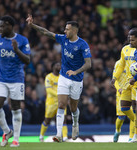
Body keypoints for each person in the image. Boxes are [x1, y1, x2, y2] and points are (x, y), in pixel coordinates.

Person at [26, 14, 92, 142]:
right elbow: (46, 32)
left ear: (74, 30)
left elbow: (88, 64)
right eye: (65, 29)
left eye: (67, 29)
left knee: (73, 108)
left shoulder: (83, 44)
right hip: (63, 76)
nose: (64, 31)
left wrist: (75, 71)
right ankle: (58, 134)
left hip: (77, 79)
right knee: (61, 104)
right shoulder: (63, 39)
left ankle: (75, 124)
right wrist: (32, 25)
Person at [0, 16, 31, 147]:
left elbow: (27, 60)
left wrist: (17, 50)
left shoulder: (22, 40)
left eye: (2, 26)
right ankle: (7, 131)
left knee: (16, 108)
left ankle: (16, 139)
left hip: (17, 79)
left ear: (9, 26)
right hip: (1, 79)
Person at [111, 41, 137, 142]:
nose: (131, 41)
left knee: (135, 110)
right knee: (123, 110)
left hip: (136, 83)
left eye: (132, 39)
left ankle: (133, 136)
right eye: (130, 39)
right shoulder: (124, 52)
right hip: (125, 85)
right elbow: (120, 66)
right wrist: (115, 78)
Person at [39, 62, 68, 142]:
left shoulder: (62, 77)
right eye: (57, 65)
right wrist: (59, 95)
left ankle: (65, 137)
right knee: (47, 120)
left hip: (61, 102)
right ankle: (41, 136)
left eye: (60, 65)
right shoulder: (49, 77)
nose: (59, 66)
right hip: (51, 102)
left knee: (64, 119)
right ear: (53, 67)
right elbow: (48, 90)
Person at [112, 60, 134, 142]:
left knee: (133, 114)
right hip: (121, 93)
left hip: (131, 91)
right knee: (121, 116)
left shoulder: (133, 63)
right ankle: (117, 131)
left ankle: (131, 137)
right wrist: (119, 89)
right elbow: (115, 80)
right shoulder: (118, 63)